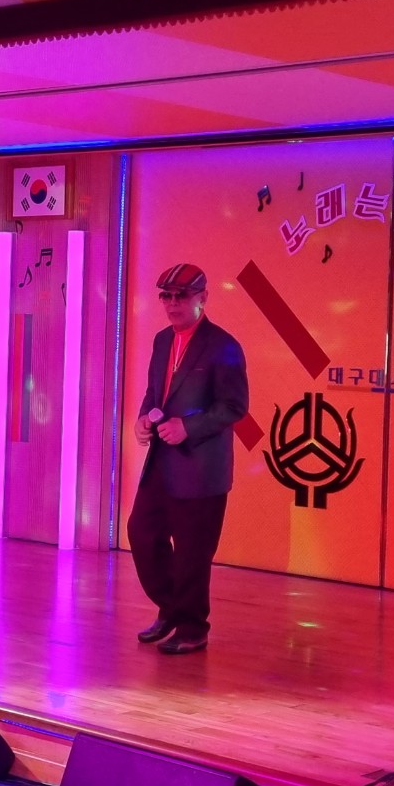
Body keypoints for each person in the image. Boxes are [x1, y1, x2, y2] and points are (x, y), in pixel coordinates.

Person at [127, 262, 249, 655]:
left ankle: (193, 628)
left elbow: (234, 406)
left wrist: (188, 427)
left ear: (203, 298)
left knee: (193, 553)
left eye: (182, 296)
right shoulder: (162, 340)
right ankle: (172, 610)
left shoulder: (223, 345)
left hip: (201, 468)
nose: (172, 303)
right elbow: (154, 394)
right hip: (162, 462)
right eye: (166, 296)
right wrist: (144, 419)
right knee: (142, 534)